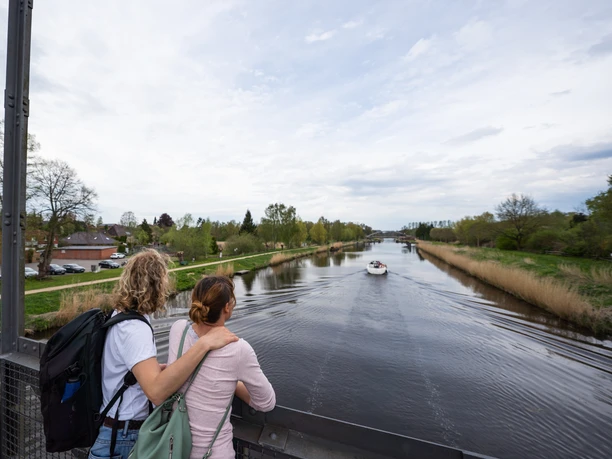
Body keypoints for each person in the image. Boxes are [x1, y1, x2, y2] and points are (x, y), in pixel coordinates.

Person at [88, 250, 238, 459]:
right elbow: (156, 393)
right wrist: (204, 344)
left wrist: (156, 370)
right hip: (123, 438)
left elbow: (129, 370)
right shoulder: (134, 328)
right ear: (157, 284)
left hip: (117, 431)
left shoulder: (121, 315)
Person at [167, 276, 276, 459]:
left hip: (173, 447)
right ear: (227, 307)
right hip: (214, 453)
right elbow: (266, 402)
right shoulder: (238, 349)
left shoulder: (178, 330)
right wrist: (232, 385)